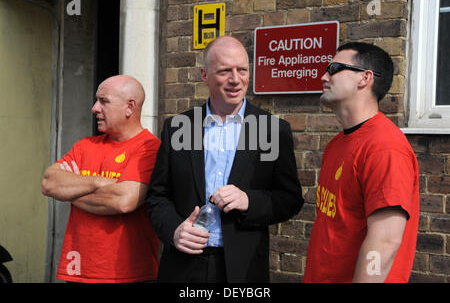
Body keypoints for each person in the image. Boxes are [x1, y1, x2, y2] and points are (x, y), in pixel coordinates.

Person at [146, 36, 303, 282]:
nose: (235, 79)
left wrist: (249, 200)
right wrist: (175, 230)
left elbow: (290, 199)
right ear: (204, 75)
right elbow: (157, 195)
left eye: (242, 70)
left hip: (243, 267)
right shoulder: (178, 127)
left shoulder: (272, 130)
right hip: (183, 266)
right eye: (224, 71)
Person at [303, 42, 420, 283]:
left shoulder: (385, 147)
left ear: (365, 78)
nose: (324, 76)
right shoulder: (337, 144)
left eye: (335, 68)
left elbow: (385, 242)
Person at [41, 75, 161, 283]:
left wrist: (72, 191)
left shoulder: (149, 148)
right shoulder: (85, 145)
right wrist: (99, 182)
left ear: (130, 107)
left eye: (104, 101)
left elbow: (123, 201)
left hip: (127, 275)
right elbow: (49, 183)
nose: (95, 108)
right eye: (97, 101)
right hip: (77, 271)